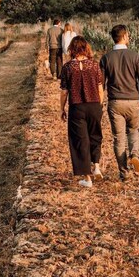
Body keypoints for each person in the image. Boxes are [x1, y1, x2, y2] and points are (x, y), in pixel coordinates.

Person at [99, 24, 139, 181]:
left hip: (115, 102)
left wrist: (100, 103)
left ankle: (124, 172)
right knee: (133, 130)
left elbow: (101, 83)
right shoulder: (135, 56)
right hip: (133, 100)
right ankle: (134, 154)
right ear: (125, 36)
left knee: (118, 138)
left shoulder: (106, 58)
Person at [60, 36, 104, 188]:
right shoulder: (94, 65)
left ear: (72, 49)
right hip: (94, 105)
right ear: (86, 48)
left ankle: (87, 178)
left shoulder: (67, 68)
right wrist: (100, 104)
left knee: (80, 140)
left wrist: (62, 109)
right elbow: (100, 87)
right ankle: (97, 166)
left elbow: (64, 91)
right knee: (95, 136)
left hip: (77, 107)